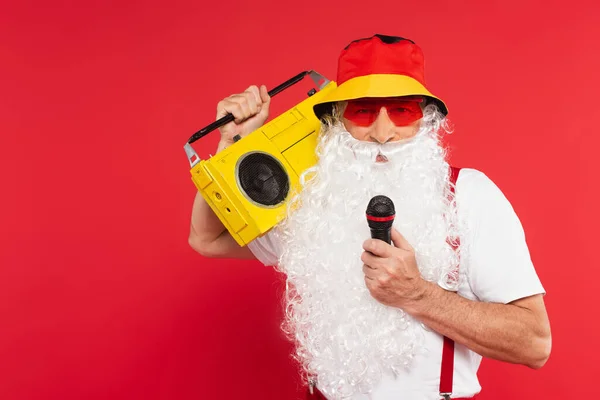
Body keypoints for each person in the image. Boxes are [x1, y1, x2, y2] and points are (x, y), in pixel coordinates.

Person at [188, 34, 552, 400]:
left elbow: (534, 343)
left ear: (425, 119)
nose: (381, 133)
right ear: (335, 119)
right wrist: (233, 147)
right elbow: (207, 239)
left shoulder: (469, 196)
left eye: (401, 110)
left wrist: (418, 295)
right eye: (362, 111)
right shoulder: (313, 197)